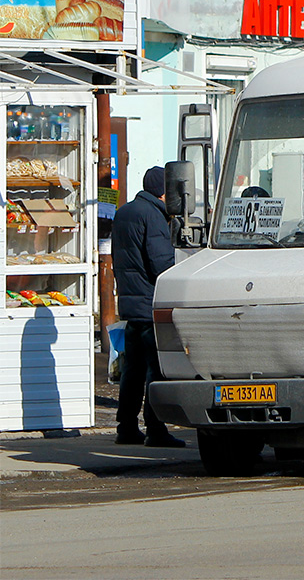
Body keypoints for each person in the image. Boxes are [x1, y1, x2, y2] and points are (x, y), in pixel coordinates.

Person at [111, 166, 185, 448]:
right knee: (156, 369)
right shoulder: (153, 215)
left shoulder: (125, 212)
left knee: (133, 370)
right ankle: (156, 428)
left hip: (130, 304)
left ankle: (126, 426)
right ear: (162, 191)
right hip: (150, 304)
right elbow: (161, 264)